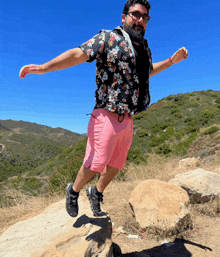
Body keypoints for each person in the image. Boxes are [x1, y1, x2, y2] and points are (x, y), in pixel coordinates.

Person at [19, 0, 188, 218]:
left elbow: (147, 72)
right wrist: (44, 68)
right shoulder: (108, 38)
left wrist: (172, 61)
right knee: (97, 162)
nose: (140, 20)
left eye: (144, 17)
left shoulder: (144, 49)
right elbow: (79, 54)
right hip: (106, 113)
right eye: (135, 14)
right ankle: (74, 190)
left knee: (116, 164)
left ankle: (96, 192)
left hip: (128, 117)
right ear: (124, 16)